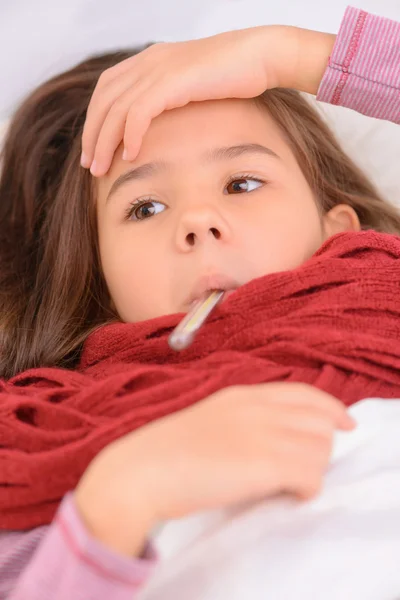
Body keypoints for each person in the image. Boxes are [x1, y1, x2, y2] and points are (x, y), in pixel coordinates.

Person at [0, 5, 399, 599]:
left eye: (242, 183)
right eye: (145, 208)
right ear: (99, 284)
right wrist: (121, 495)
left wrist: (289, 56)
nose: (198, 221)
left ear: (337, 230)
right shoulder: (39, 439)